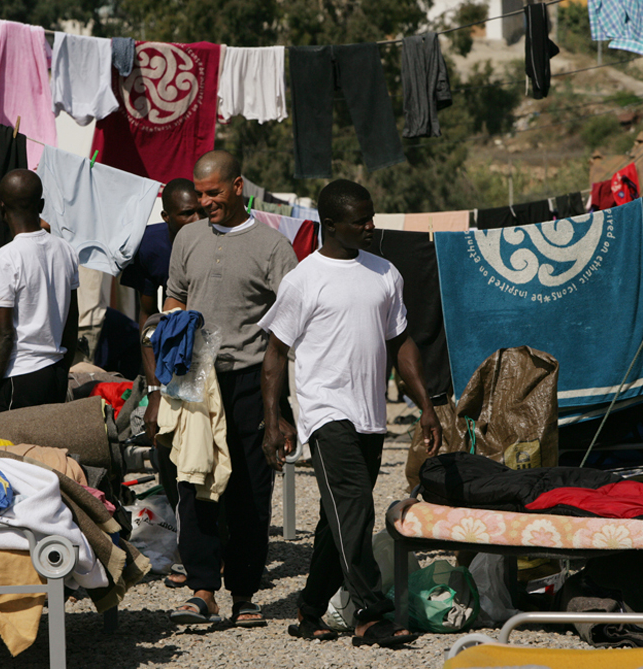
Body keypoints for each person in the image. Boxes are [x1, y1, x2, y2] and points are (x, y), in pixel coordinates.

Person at [260, 179, 442, 646]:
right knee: (356, 506)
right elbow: (275, 353)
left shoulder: (385, 273)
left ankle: (308, 610)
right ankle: (368, 613)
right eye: (359, 220)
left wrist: (426, 405)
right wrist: (274, 419)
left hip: (370, 415)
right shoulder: (303, 279)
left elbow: (400, 343)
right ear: (330, 224)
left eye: (370, 216)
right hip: (325, 412)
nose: (369, 226)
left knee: (337, 517)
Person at [152, 150, 297, 627]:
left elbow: (292, 323)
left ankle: (245, 593)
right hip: (194, 377)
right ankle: (201, 588)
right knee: (194, 481)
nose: (205, 201)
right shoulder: (188, 238)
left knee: (250, 490)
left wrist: (284, 409)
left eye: (214, 192)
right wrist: (166, 368)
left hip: (253, 380)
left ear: (238, 186)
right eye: (200, 193)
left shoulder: (273, 248)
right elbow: (174, 297)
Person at [123, 177, 203, 587]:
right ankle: (188, 544)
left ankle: (213, 549)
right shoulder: (151, 247)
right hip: (166, 369)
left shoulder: (212, 241)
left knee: (209, 461)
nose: (194, 219)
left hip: (207, 366)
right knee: (167, 458)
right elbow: (144, 318)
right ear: (166, 215)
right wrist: (153, 386)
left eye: (199, 211)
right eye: (185, 213)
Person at [0, 169, 80, 420]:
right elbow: (71, 322)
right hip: (56, 374)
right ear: (41, 205)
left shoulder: (4, 259)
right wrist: (62, 369)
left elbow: (2, 333)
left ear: (1, 208)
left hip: (20, 378)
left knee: (11, 456)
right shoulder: (66, 251)